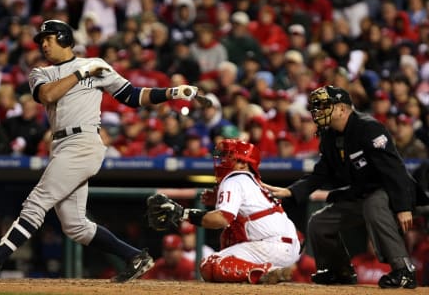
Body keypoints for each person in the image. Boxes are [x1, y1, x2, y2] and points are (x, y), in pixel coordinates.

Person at [0, 19, 199, 282]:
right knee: (75, 226)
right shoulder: (41, 72)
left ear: (63, 38)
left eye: (49, 39)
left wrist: (172, 92)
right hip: (60, 145)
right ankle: (135, 257)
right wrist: (82, 74)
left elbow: (132, 96)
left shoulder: (96, 65)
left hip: (83, 142)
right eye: (41, 41)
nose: (44, 44)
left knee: (36, 202)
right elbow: (48, 96)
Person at [265, 85, 418, 289]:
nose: (318, 111)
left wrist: (402, 207)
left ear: (342, 109)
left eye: (325, 105)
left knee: (373, 205)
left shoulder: (369, 128)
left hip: (390, 191)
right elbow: (321, 173)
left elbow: (394, 170)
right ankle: (340, 271)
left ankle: (403, 271)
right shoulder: (329, 136)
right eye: (317, 107)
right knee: (319, 222)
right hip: (362, 194)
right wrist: (291, 190)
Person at [149, 139, 300, 284]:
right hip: (289, 248)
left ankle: (264, 271)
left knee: (209, 264)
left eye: (230, 157)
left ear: (243, 164)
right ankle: (268, 271)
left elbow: (221, 219)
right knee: (230, 233)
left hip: (271, 247)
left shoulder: (234, 178)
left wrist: (183, 213)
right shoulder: (254, 182)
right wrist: (216, 201)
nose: (223, 162)